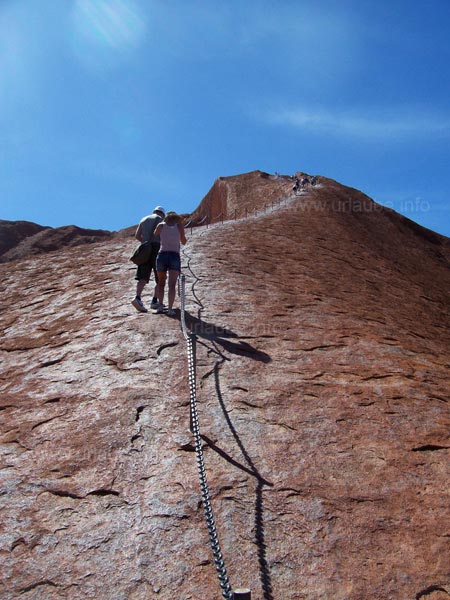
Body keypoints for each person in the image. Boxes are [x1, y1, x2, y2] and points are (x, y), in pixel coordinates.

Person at [131, 205, 165, 313]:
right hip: (157, 248)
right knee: (160, 277)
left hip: (145, 248)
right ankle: (154, 301)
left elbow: (137, 235)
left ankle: (138, 298)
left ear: (154, 211)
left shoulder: (144, 219)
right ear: (162, 214)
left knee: (142, 276)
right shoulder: (161, 221)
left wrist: (144, 242)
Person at [154, 212, 187, 317]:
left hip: (162, 255)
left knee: (161, 283)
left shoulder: (161, 225)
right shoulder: (179, 226)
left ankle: (160, 306)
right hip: (174, 255)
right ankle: (170, 309)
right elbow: (183, 241)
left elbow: (155, 234)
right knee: (171, 284)